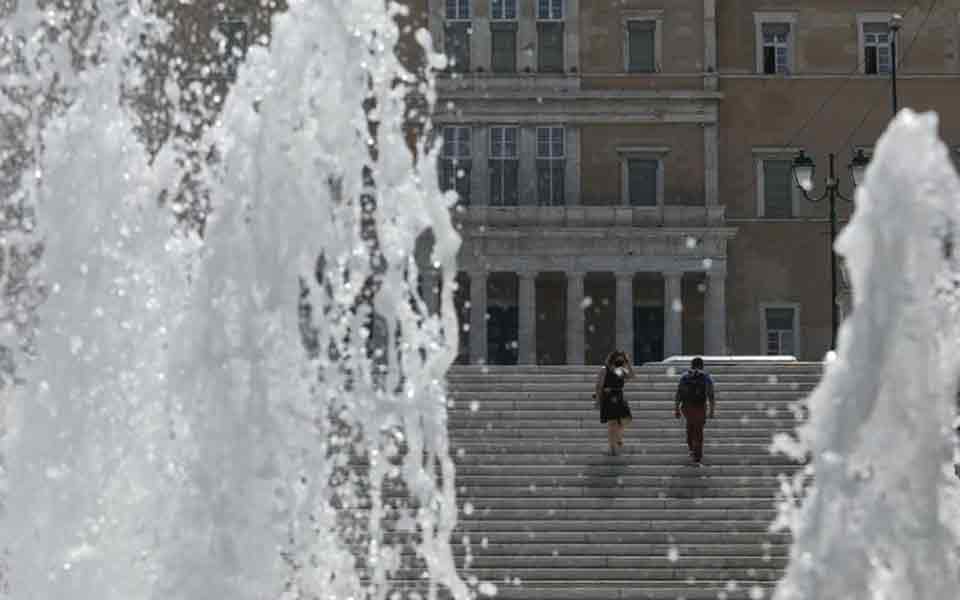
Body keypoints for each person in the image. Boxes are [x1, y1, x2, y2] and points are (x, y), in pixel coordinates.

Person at [674, 357, 715, 466]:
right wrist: (711, 410)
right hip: (700, 407)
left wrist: (676, 409)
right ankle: (697, 456)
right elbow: (711, 395)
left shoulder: (684, 376)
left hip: (687, 407)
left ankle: (692, 449)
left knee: (690, 427)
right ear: (702, 366)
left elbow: (679, 394)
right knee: (699, 430)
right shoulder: (706, 377)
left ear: (691, 365)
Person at [593, 350, 635, 456]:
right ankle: (612, 448)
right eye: (618, 358)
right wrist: (598, 401)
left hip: (619, 396)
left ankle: (618, 437)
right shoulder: (604, 369)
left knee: (626, 419)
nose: (620, 360)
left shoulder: (620, 370)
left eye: (622, 359)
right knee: (612, 423)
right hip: (608, 397)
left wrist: (628, 363)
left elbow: (632, 376)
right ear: (613, 358)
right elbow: (599, 386)